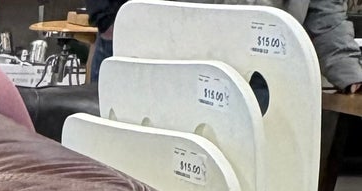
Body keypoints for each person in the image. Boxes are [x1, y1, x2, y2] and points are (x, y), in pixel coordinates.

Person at [89, 0, 362, 91]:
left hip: (261, 74)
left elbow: (325, 9)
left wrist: (348, 69)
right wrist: (107, 17)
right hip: (163, 65)